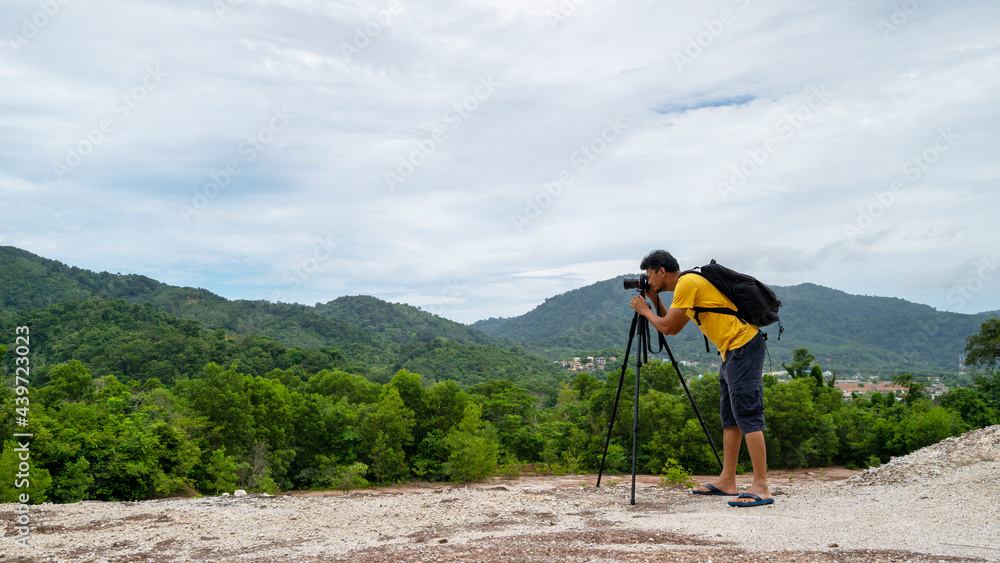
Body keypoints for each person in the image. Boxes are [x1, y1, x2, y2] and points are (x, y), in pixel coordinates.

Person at [628, 249, 773, 507]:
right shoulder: (688, 284)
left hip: (743, 347)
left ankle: (761, 486)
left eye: (649, 275)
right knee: (731, 418)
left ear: (661, 271)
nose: (647, 280)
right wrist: (653, 302)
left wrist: (644, 310)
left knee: (748, 415)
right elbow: (673, 324)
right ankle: (728, 480)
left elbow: (667, 327)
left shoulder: (686, 283)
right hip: (731, 352)